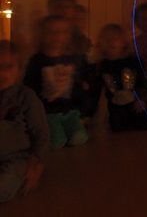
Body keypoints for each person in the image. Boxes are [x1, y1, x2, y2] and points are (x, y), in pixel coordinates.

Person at [24, 16, 88, 149]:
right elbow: (30, 87)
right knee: (56, 141)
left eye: (62, 32)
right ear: (43, 35)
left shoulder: (72, 59)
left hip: (70, 110)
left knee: (79, 136)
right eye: (52, 32)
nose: (57, 36)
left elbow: (76, 85)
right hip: (48, 112)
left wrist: (82, 109)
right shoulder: (37, 61)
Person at [0, 41, 49, 202]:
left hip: (16, 157)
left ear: (19, 70)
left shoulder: (26, 97)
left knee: (4, 186)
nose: (2, 73)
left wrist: (37, 166)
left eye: (8, 67)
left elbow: (41, 133)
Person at [98, 24, 147, 132]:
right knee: (117, 126)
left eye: (116, 38)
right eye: (108, 39)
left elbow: (143, 82)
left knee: (144, 122)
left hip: (135, 100)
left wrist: (141, 99)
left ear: (123, 41)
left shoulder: (133, 62)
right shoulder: (103, 65)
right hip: (116, 104)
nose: (112, 42)